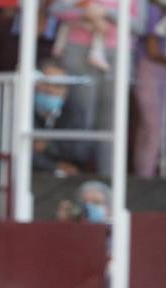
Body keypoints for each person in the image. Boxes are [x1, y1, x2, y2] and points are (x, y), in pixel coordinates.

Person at [47, 0, 138, 175]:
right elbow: (55, 8)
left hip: (116, 53)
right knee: (80, 115)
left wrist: (104, 13)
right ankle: (74, 171)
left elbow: (138, 25)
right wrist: (85, 13)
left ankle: (110, 178)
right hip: (77, 51)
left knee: (111, 121)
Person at [133, 5, 166, 178]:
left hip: (157, 69)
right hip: (148, 67)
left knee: (150, 126)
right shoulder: (152, 9)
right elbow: (152, 49)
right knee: (152, 126)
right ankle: (145, 175)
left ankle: (145, 172)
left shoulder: (163, 9)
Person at [33, 56, 80, 176]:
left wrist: (48, 145)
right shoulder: (23, 111)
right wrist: (54, 167)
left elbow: (80, 151)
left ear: (66, 90)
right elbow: (22, 154)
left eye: (58, 85)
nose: (51, 90)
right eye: (46, 83)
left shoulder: (74, 112)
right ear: (35, 85)